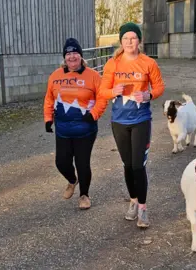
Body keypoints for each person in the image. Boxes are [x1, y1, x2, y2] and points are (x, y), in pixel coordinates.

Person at [99, 22, 165, 228]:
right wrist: (113, 92)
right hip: (119, 121)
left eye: (133, 38)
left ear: (139, 40)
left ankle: (143, 209)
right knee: (128, 166)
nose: (129, 42)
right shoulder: (113, 64)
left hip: (141, 120)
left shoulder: (148, 63)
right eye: (125, 38)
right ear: (121, 41)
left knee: (138, 165)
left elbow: (159, 86)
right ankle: (133, 201)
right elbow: (102, 91)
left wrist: (148, 94)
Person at [44, 38, 108, 210]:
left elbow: (102, 98)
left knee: (82, 162)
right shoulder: (55, 76)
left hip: (85, 129)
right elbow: (49, 98)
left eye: (75, 53)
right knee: (61, 162)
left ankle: (84, 195)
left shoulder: (93, 76)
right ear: (65, 57)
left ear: (81, 56)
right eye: (68, 54)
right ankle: (72, 180)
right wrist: (48, 118)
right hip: (63, 129)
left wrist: (94, 114)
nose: (72, 57)